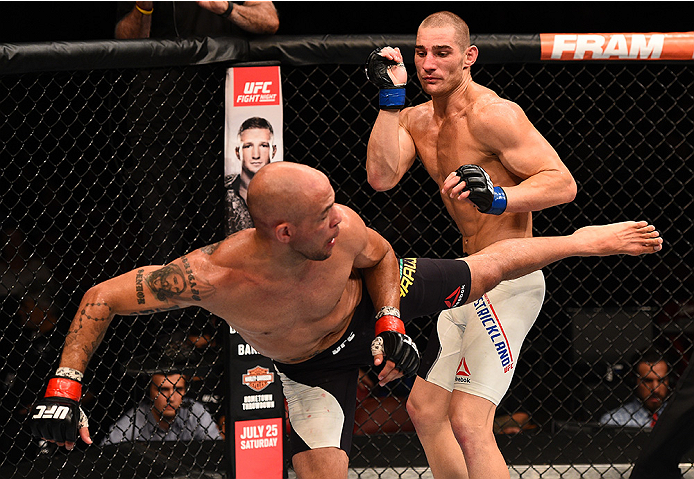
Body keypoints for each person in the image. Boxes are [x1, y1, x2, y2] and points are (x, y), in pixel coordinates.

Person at [29, 162, 661, 479]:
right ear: (282, 231)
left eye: (336, 205)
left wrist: (389, 319)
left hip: (369, 304)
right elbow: (99, 298)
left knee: (487, 270)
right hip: (312, 365)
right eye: (325, 215)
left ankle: (583, 239)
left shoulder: (347, 228)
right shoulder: (210, 276)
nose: (341, 218)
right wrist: (65, 386)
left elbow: (382, 255)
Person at [365, 11, 577, 479]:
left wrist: (502, 197)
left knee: (468, 421)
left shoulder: (493, 114)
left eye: (442, 53)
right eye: (421, 52)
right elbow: (381, 178)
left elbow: (562, 184)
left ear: (469, 57)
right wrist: (388, 101)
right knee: (423, 407)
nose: (429, 63)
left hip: (510, 276)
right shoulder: (416, 119)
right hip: (467, 274)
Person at [101, 371, 221, 443]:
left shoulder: (195, 412)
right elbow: (106, 458)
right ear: (150, 392)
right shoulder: (134, 421)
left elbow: (217, 450)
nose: (171, 398)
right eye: (163, 390)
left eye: (178, 389)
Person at [225, 116, 278, 234]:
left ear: (273, 151)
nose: (256, 155)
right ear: (237, 152)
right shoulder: (223, 189)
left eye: (263, 145)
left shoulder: (285, 191)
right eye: (248, 146)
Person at [599, 347, 671, 428]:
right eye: (648, 381)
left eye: (661, 381)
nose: (655, 389)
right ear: (634, 381)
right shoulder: (614, 421)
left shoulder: (679, 418)